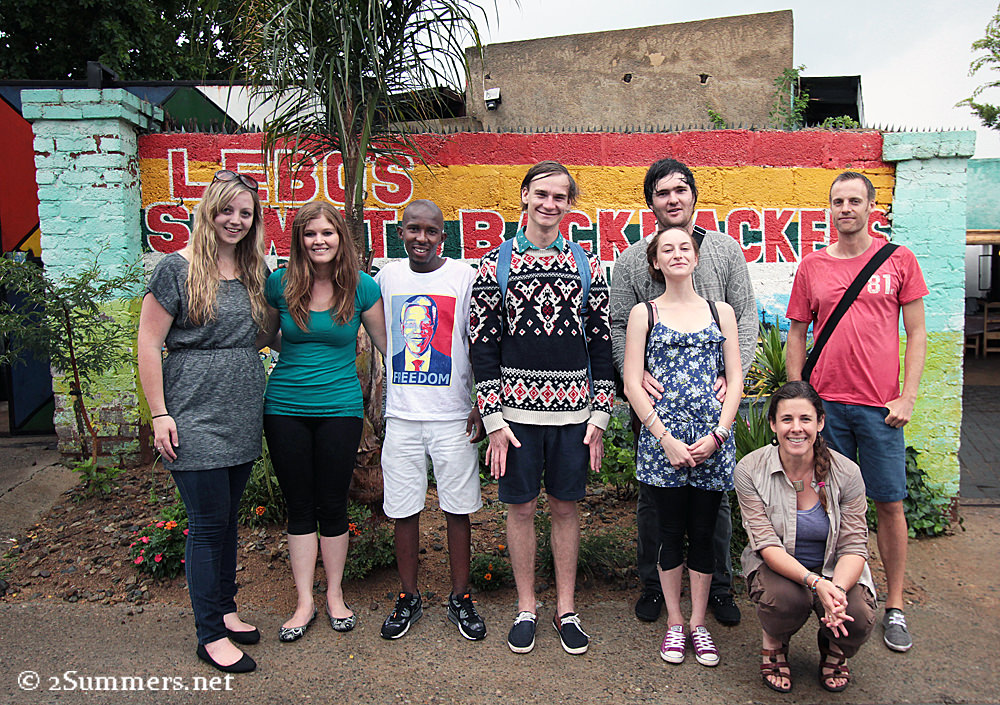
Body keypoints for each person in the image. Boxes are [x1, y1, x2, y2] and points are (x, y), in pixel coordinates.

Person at [469, 161, 614, 655]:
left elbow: (600, 343)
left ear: (570, 205)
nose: (550, 204)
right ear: (524, 196)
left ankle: (566, 609)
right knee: (521, 508)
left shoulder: (589, 265)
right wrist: (492, 420)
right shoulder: (493, 266)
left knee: (566, 508)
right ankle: (526, 607)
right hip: (515, 420)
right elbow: (483, 347)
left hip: (574, 418)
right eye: (542, 194)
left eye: (561, 196)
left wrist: (600, 414)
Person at [610, 158, 757, 626]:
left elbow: (747, 315)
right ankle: (654, 586)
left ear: (694, 195)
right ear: (650, 202)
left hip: (713, 407)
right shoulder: (632, 260)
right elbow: (618, 324)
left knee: (713, 504)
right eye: (662, 192)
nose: (672, 199)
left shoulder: (727, 251)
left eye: (680, 189)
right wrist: (632, 375)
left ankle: (720, 589)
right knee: (656, 500)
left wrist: (733, 377)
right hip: (655, 407)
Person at [786, 171, 927, 653]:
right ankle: (838, 597)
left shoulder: (898, 260)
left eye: (854, 200)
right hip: (827, 409)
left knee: (888, 504)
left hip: (879, 410)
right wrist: (798, 395)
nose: (845, 208)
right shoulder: (813, 267)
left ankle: (894, 607)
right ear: (829, 208)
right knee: (831, 507)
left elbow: (917, 333)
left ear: (871, 207)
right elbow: (798, 334)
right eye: (837, 201)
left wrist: (907, 396)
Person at [137, 170, 270, 673]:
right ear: (209, 210)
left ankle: (225, 609)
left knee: (227, 519)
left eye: (245, 213)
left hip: (240, 411)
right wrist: (160, 413)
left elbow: (271, 334)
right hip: (192, 410)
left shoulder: (254, 269)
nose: (235, 221)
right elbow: (149, 343)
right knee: (207, 525)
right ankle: (209, 635)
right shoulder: (177, 269)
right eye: (227, 210)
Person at [262, 201, 387, 643]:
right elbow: (263, 335)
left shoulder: (361, 288)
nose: (319, 241)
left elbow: (388, 347)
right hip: (285, 408)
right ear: (299, 240)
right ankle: (304, 602)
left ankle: (335, 594)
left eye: (327, 233)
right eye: (310, 234)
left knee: (333, 504)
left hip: (341, 409)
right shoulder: (279, 283)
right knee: (299, 506)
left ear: (341, 239)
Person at [622, 226, 743, 667]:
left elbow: (735, 381)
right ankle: (674, 620)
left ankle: (698, 622)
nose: (676, 254)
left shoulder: (721, 311)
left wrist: (718, 435)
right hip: (663, 446)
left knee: (706, 535)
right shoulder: (643, 314)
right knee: (669, 533)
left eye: (684, 248)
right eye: (666, 249)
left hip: (712, 444)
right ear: (655, 261)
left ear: (696, 258)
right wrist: (665, 439)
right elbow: (633, 383)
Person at [374, 199, 487, 641]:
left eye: (432, 231)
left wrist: (482, 402)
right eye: (413, 229)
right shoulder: (387, 278)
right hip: (402, 416)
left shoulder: (464, 277)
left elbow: (479, 343)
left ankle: (461, 597)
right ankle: (409, 597)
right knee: (404, 510)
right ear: (400, 233)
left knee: (459, 510)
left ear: (444, 235)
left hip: (453, 416)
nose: (422, 238)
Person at [735, 381, 878, 693]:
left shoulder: (847, 473)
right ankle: (774, 640)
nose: (796, 429)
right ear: (773, 424)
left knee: (858, 614)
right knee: (785, 600)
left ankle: (834, 647)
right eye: (786, 420)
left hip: (834, 570)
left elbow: (854, 545)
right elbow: (766, 544)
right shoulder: (750, 470)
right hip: (781, 570)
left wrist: (835, 592)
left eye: (805, 419)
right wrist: (816, 584)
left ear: (820, 423)